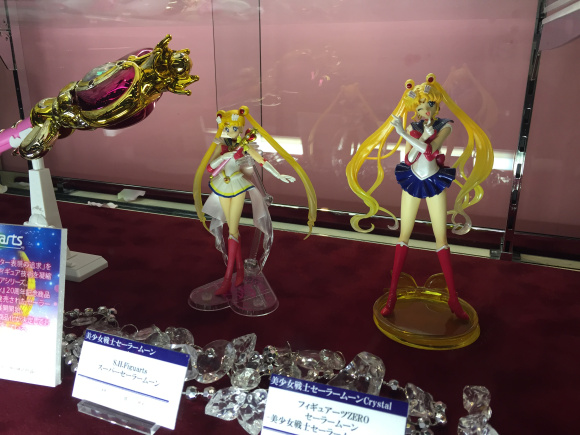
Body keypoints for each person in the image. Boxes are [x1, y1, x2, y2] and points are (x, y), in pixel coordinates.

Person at [346, 74, 493, 320]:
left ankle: (453, 299)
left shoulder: (445, 125)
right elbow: (410, 158)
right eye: (421, 107)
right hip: (413, 180)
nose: (425, 111)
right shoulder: (414, 127)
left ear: (437, 105)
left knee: (441, 239)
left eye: (430, 105)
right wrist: (415, 135)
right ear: (416, 109)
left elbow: (431, 152)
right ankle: (392, 297)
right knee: (403, 236)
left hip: (434, 181)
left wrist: (406, 134)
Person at [193, 106, 316, 295]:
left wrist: (279, 175)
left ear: (241, 129)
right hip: (222, 184)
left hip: (238, 185)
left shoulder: (245, 146)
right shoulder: (221, 144)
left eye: (235, 128)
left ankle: (227, 278)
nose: (231, 131)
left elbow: (262, 161)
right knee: (231, 228)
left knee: (232, 230)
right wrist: (225, 155)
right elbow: (210, 168)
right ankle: (239, 269)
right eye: (227, 128)